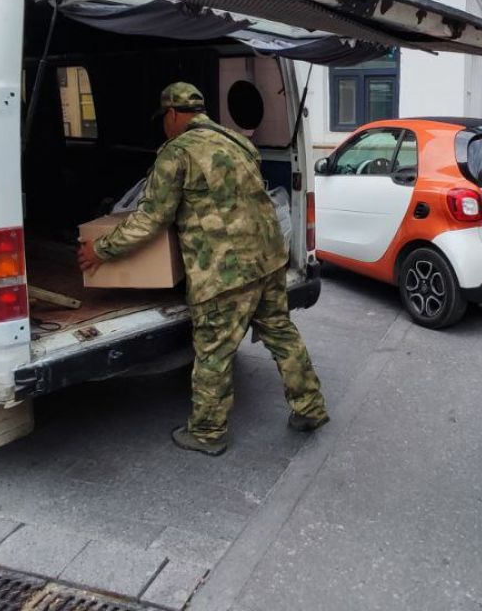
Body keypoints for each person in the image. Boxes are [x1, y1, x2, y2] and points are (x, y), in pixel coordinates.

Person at [77, 82, 329, 456]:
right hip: (269, 257)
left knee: (213, 351)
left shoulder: (177, 154)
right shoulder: (237, 141)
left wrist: (101, 249)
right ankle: (310, 407)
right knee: (281, 334)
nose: (164, 126)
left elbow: (151, 219)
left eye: (164, 118)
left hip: (225, 271)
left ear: (174, 114)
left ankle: (208, 432)